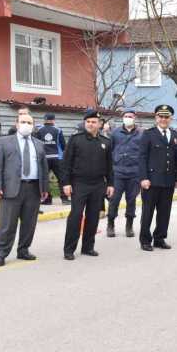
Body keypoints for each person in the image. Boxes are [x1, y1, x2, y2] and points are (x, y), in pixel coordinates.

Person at [0, 114, 49, 267]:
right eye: (23, 122)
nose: (26, 125)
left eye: (29, 122)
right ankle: (1, 253)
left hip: (33, 188)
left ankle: (23, 250)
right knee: (7, 224)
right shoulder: (4, 142)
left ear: (33, 126)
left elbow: (44, 167)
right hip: (11, 188)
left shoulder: (39, 144)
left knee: (29, 223)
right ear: (16, 124)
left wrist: (45, 188)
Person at [61, 110, 114, 260]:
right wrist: (66, 183)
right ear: (85, 123)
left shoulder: (106, 142)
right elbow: (66, 163)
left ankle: (88, 247)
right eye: (88, 122)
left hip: (98, 185)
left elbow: (110, 165)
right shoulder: (76, 139)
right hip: (79, 184)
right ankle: (69, 249)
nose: (90, 124)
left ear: (100, 124)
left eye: (94, 122)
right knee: (76, 216)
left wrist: (111, 183)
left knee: (93, 217)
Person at [138, 105, 177, 251]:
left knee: (164, 212)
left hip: (168, 181)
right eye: (161, 116)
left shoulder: (175, 135)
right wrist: (143, 177)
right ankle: (145, 240)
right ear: (156, 118)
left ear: (171, 119)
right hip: (151, 181)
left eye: (166, 117)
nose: (163, 119)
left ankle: (159, 238)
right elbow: (142, 157)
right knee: (147, 213)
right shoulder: (148, 134)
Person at [106, 109, 143, 238]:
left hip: (134, 173)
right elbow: (109, 152)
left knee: (131, 200)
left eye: (130, 116)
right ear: (122, 118)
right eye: (126, 116)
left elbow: (144, 154)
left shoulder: (141, 134)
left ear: (135, 118)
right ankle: (110, 225)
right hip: (118, 172)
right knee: (114, 200)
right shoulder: (115, 133)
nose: (128, 118)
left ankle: (129, 226)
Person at [35, 113, 68, 205]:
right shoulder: (58, 130)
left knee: (45, 179)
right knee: (62, 178)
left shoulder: (39, 130)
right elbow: (63, 145)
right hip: (57, 157)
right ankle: (64, 198)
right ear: (53, 120)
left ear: (44, 120)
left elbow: (37, 144)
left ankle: (47, 199)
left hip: (44, 158)